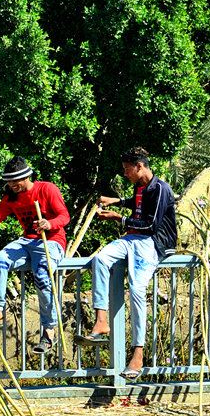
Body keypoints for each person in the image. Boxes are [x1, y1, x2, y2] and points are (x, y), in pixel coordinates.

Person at [75, 146, 177, 382]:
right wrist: (117, 201)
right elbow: (138, 203)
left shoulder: (161, 189)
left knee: (137, 290)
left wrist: (118, 218)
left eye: (127, 169)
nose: (125, 173)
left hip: (152, 242)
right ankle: (102, 321)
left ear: (140, 166)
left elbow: (151, 225)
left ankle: (138, 355)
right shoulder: (140, 185)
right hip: (132, 238)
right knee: (99, 260)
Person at [0, 156, 70, 356]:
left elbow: (64, 216)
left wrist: (49, 224)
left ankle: (49, 331)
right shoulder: (11, 198)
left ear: (26, 177)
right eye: (8, 181)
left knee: (42, 275)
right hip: (27, 241)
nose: (11, 185)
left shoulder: (47, 189)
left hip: (52, 241)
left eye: (15, 181)